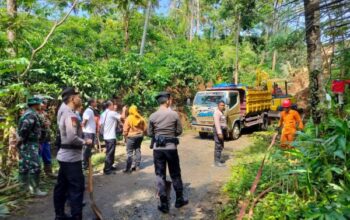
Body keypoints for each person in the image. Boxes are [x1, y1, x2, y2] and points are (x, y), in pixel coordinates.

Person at [54, 87, 92, 220]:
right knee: (77, 188)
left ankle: (59, 215)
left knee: (62, 186)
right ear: (72, 98)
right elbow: (72, 138)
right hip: (70, 158)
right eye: (78, 97)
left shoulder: (64, 110)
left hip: (65, 156)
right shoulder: (70, 114)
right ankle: (76, 217)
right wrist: (85, 141)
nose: (80, 99)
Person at [148, 92, 188, 214]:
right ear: (167, 101)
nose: (171, 101)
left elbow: (150, 133)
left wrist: (159, 135)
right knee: (175, 173)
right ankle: (179, 200)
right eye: (170, 100)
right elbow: (179, 131)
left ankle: (164, 204)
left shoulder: (152, 116)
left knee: (160, 175)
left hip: (158, 150)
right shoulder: (174, 114)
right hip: (171, 148)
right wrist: (170, 135)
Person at [17, 97, 47, 196]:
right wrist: (22, 139)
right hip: (29, 144)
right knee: (35, 166)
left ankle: (23, 189)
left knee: (24, 165)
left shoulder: (30, 113)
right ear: (35, 105)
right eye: (39, 103)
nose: (41, 105)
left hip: (29, 143)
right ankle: (34, 189)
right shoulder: (31, 115)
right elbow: (24, 129)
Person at [123, 105, 147, 173]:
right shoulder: (141, 117)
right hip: (140, 136)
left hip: (131, 137)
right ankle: (137, 166)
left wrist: (125, 137)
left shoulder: (129, 118)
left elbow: (125, 129)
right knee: (137, 150)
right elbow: (145, 128)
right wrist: (143, 133)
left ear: (130, 110)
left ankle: (128, 169)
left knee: (129, 152)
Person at [100, 101, 121, 175]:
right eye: (113, 105)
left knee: (110, 152)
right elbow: (122, 117)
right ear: (109, 106)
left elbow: (101, 124)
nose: (114, 106)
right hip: (111, 136)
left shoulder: (103, 114)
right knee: (109, 153)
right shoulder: (112, 113)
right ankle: (107, 169)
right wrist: (124, 110)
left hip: (106, 136)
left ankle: (110, 166)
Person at [38, 98, 57, 178]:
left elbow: (48, 124)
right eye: (44, 103)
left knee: (47, 156)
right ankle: (37, 175)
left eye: (46, 103)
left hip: (46, 138)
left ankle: (49, 173)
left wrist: (48, 122)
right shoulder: (35, 114)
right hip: (39, 139)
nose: (45, 105)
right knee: (38, 157)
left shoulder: (45, 113)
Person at [82, 99, 97, 170]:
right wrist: (83, 130)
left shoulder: (90, 110)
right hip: (88, 132)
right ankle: (84, 164)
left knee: (89, 149)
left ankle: (87, 164)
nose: (96, 103)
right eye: (95, 102)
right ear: (92, 103)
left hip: (90, 132)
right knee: (87, 149)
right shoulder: (88, 111)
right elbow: (84, 121)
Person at [213, 101, 227, 167]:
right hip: (218, 130)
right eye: (221, 105)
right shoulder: (216, 113)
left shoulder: (221, 112)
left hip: (222, 130)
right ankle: (216, 162)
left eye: (223, 105)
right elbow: (217, 123)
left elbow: (223, 121)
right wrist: (219, 133)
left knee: (221, 145)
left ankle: (218, 159)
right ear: (218, 106)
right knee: (218, 145)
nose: (222, 106)